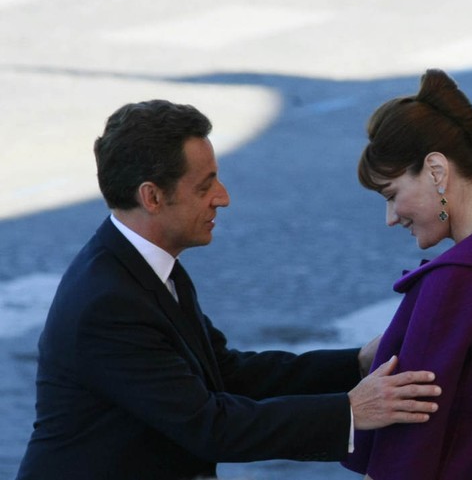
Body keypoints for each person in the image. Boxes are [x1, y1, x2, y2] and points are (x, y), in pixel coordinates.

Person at [16, 100, 441, 480]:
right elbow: (210, 426)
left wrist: (356, 363)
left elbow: (226, 374)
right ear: (152, 197)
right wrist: (350, 411)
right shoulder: (107, 304)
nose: (223, 197)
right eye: (204, 186)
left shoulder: (147, 266)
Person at [343, 69, 472, 480]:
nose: (390, 218)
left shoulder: (454, 282)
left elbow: (409, 446)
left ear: (436, 170)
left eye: (391, 194)